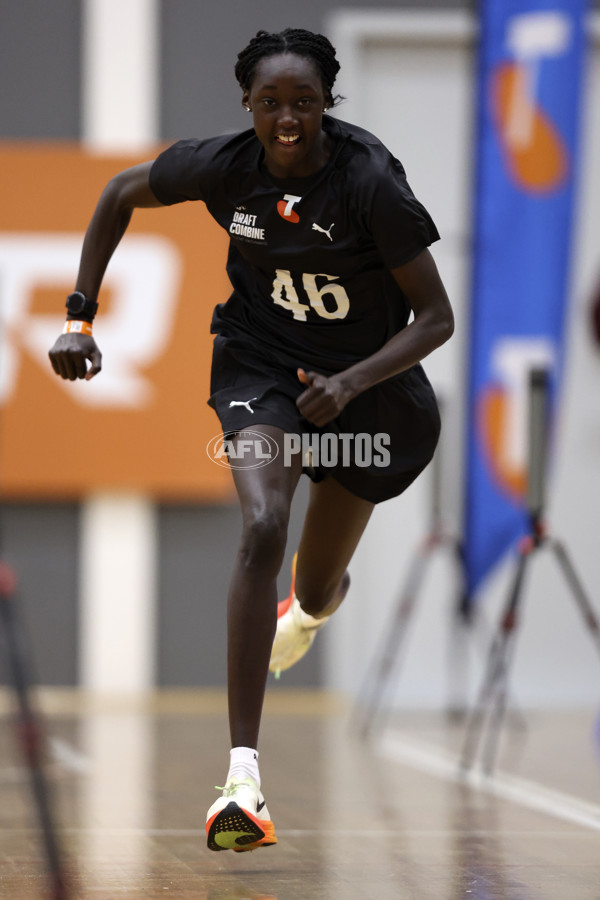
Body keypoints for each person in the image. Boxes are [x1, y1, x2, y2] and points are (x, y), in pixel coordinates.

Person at [49, 28, 454, 853]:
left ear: (327, 104)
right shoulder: (225, 167)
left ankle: (308, 609)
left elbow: (437, 318)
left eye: (304, 103)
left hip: (365, 391)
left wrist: (350, 384)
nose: (288, 119)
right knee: (264, 522)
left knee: (312, 586)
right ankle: (243, 779)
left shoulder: (370, 182)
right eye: (271, 104)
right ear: (249, 106)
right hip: (262, 368)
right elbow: (121, 193)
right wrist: (79, 316)